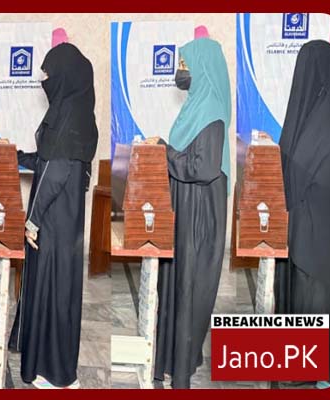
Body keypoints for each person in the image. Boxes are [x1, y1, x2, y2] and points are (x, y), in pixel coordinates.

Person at [7, 43, 98, 389]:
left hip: (53, 222)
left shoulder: (67, 115)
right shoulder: (79, 112)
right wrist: (15, 155)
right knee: (59, 289)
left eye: (47, 73)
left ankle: (51, 371)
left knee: (52, 290)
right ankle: (49, 364)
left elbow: (55, 172)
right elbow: (48, 159)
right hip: (67, 220)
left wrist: (32, 220)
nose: (44, 80)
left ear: (64, 75)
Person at [144, 38, 231, 388]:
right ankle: (169, 361)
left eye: (185, 64)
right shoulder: (197, 105)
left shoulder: (210, 110)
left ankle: (180, 370)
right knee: (175, 286)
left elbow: (202, 167)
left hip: (200, 215)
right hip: (186, 207)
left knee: (188, 288)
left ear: (202, 67)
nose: (180, 72)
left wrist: (164, 151)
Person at [275, 40, 330, 389]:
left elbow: (297, 168)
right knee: (321, 294)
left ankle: (310, 371)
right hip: (326, 224)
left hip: (315, 224)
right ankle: (322, 371)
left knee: (313, 295)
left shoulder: (325, 116)